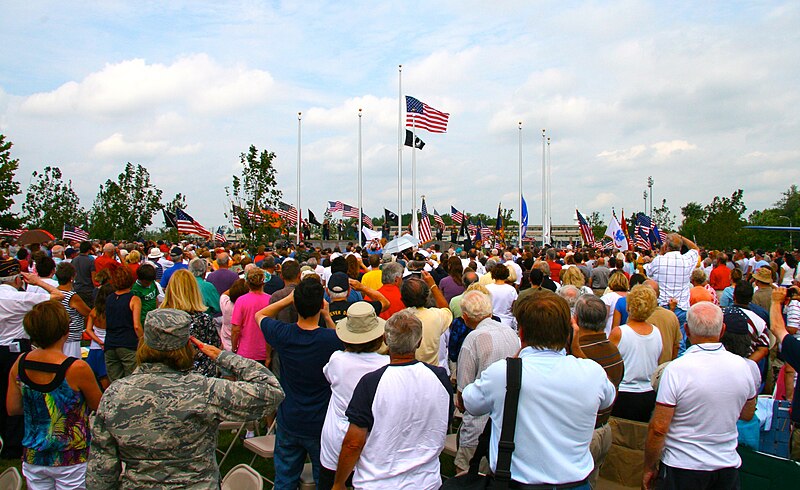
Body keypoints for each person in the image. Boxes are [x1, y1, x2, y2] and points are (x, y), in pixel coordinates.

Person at [87, 309, 285, 488]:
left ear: (144, 343)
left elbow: (101, 474)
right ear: (187, 346)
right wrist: (222, 356)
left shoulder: (115, 394)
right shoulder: (204, 390)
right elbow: (271, 389)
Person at [462, 292, 615, 488]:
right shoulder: (592, 372)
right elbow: (609, 397)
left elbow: (469, 402)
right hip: (573, 483)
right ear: (569, 332)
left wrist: (516, 357)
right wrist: (577, 349)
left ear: (522, 333)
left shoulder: (502, 373)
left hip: (519, 483)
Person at [332, 310, 453, 490]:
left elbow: (353, 443)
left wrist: (339, 482)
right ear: (418, 342)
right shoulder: (439, 377)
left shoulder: (371, 383)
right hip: (422, 482)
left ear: (386, 340)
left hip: (381, 481)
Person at [642, 302, 758, 489]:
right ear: (722, 331)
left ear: (686, 330)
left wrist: (649, 466)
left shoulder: (676, 370)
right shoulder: (744, 367)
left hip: (682, 467)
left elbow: (659, 427)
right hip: (724, 465)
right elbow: (747, 413)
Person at [255, 278, 342, 488]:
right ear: (321, 304)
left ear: (296, 304)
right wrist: (328, 316)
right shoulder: (331, 340)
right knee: (325, 481)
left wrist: (287, 300)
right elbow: (344, 337)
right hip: (319, 421)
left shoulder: (284, 334)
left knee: (285, 479)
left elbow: (261, 315)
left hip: (291, 417)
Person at [7, 300, 102, 489]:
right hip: (72, 456)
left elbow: (13, 408)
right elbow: (99, 406)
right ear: (64, 330)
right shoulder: (77, 368)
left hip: (35, 454)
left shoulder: (20, 363)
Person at [318, 302, 389, 489]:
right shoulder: (387, 365)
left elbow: (329, 376)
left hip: (338, 441)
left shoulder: (337, 361)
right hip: (373, 442)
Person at [454, 290, 520, 474]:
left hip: (479, 423)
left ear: (465, 317)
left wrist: (463, 403)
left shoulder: (473, 338)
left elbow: (463, 392)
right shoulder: (511, 332)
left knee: (466, 474)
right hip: (507, 421)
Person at [570, 294, 624, 488]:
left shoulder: (575, 353)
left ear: (576, 318)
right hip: (602, 430)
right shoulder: (613, 349)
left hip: (583, 435)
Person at [609, 284, 662, 422]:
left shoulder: (619, 332)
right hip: (648, 392)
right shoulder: (656, 332)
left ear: (629, 306)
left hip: (624, 391)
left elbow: (608, 361)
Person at [160, 269, 222, 377]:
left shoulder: (160, 319)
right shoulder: (204, 320)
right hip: (202, 378)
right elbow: (216, 347)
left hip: (169, 378)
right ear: (194, 291)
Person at [645, 233, 700, 354]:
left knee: (660, 341)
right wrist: (681, 237)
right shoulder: (687, 260)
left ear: (666, 246)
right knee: (680, 343)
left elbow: (648, 271)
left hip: (662, 306)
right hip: (682, 307)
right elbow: (695, 249)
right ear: (680, 246)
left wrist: (660, 253)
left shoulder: (659, 260)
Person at [401, 272, 453, 365]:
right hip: (432, 370)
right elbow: (446, 310)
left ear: (403, 300)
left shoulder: (396, 320)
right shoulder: (436, 316)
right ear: (426, 298)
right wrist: (432, 285)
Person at [103, 266, 143, 382]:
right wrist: (142, 340)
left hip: (110, 344)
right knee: (132, 381)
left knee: (115, 382)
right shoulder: (134, 299)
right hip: (128, 344)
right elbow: (136, 325)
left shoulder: (109, 298)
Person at [231, 267, 272, 366]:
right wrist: (269, 355)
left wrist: (234, 347)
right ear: (263, 283)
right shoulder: (270, 300)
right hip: (264, 352)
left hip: (245, 351)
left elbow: (235, 329)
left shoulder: (241, 301)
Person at [54, 262, 91, 358]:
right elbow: (87, 312)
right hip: (72, 337)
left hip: (58, 336)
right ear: (72, 277)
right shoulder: (72, 296)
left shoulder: (54, 292)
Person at [85, 283, 115, 390]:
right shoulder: (113, 312)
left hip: (94, 347)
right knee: (106, 382)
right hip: (108, 347)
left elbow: (88, 330)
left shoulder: (94, 312)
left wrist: (98, 340)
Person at [644, 280, 682, 364]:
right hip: (665, 367)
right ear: (658, 294)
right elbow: (676, 346)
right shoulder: (671, 316)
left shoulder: (637, 317)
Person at [485, 263, 518, 330]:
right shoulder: (511, 290)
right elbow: (514, 306)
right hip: (507, 321)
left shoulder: (487, 288)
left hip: (491, 321)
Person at [71, 241, 95, 308]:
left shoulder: (74, 260)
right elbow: (93, 277)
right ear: (89, 250)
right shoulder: (91, 261)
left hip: (76, 289)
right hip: (88, 290)